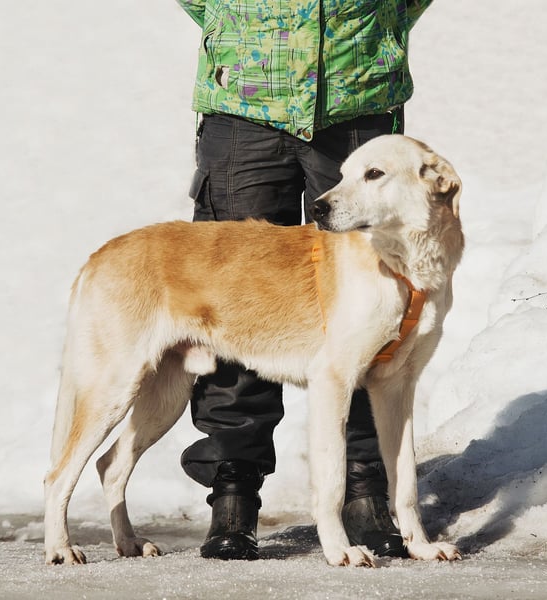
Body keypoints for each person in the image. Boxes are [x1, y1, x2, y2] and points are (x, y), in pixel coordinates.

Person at [175, 0, 436, 560]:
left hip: (356, 99)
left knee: (373, 304)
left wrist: (378, 35)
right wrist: (234, 25)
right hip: (245, 101)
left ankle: (365, 489)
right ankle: (233, 487)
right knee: (236, 299)